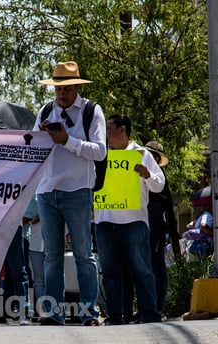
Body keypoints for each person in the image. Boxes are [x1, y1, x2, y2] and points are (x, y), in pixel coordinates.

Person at [33, 61, 107, 326]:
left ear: (76, 86)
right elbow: (32, 151)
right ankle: (53, 313)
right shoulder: (44, 111)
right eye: (57, 88)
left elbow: (100, 151)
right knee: (51, 256)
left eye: (65, 89)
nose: (60, 94)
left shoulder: (91, 111)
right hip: (47, 191)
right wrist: (40, 138)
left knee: (83, 255)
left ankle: (89, 313)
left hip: (78, 189)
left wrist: (68, 141)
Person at [93, 115, 164, 325]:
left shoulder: (141, 154)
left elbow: (159, 185)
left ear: (122, 130)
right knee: (110, 273)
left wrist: (147, 175)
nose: (104, 134)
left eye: (109, 129)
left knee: (141, 271)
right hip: (104, 222)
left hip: (134, 223)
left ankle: (149, 315)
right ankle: (114, 317)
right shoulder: (101, 154)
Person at [144, 140, 180, 318]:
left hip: (156, 229)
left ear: (157, 158)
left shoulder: (159, 179)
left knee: (157, 269)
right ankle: (149, 307)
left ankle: (158, 307)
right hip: (145, 227)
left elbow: (166, 211)